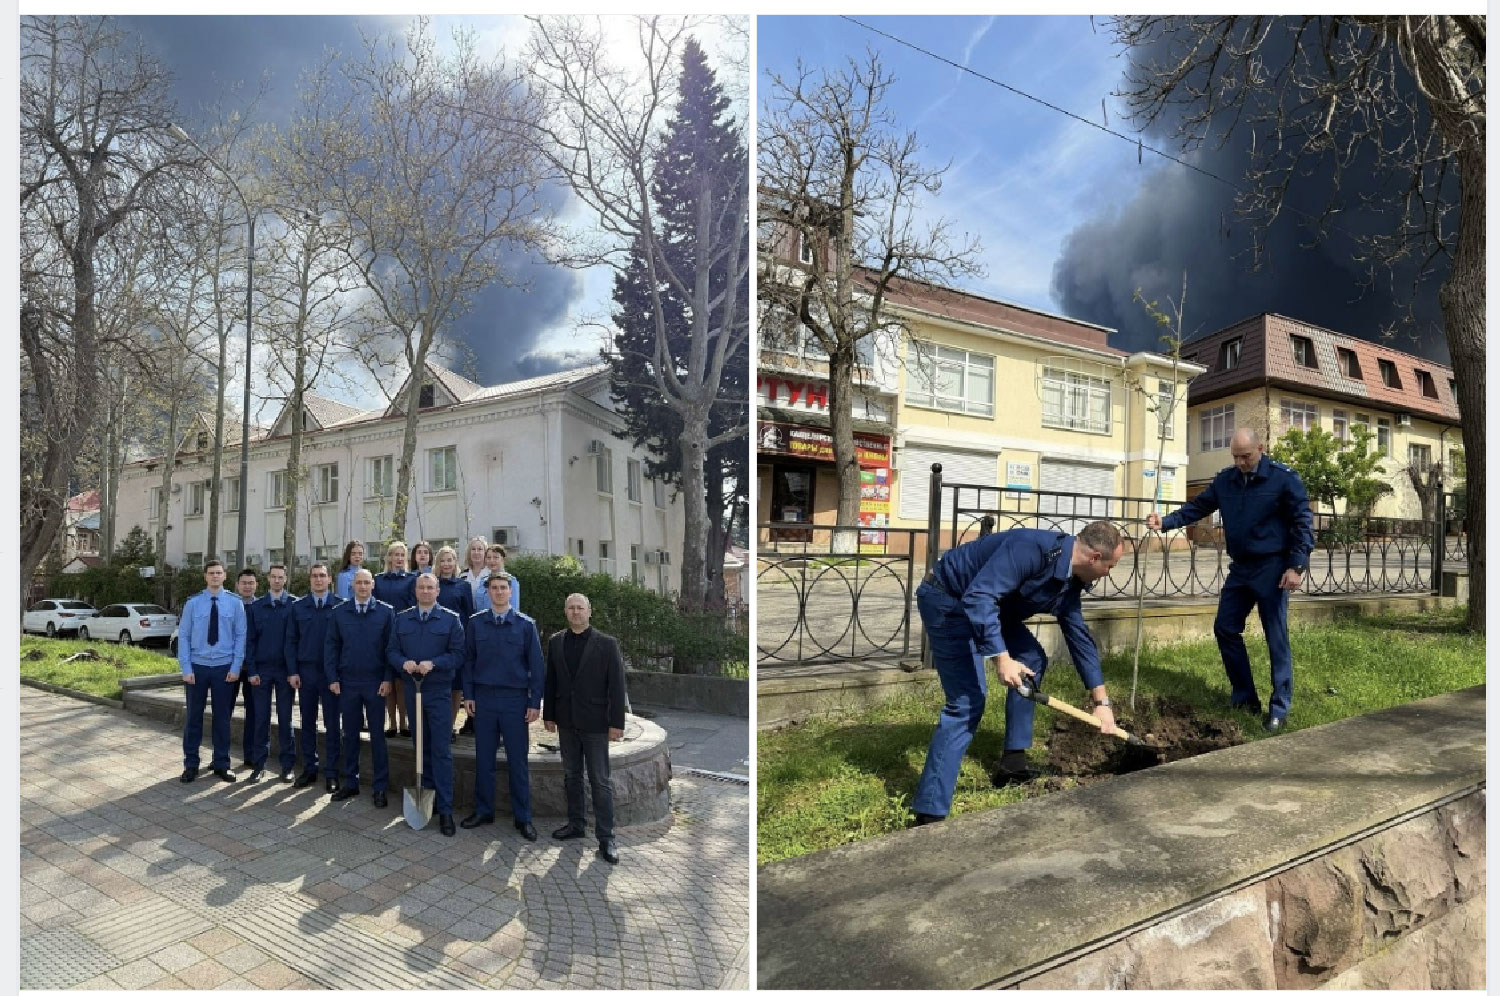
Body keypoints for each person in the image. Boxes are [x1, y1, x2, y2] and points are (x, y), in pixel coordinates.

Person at [911, 521, 1126, 824]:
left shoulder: (1069, 580)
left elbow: (1079, 637)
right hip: (949, 599)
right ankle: (929, 813)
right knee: (967, 701)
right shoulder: (1031, 548)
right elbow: (979, 598)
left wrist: (1101, 703)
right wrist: (1001, 658)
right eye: (1110, 566)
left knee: (1031, 660)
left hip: (993, 607)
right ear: (1094, 558)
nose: (1108, 574)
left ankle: (1013, 764)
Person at [1147, 427, 1314, 733]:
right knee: (1225, 628)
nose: (1240, 462)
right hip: (1241, 569)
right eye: (1235, 457)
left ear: (1260, 449)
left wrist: (1297, 566)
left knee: (1275, 638)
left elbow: (1303, 523)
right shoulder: (1226, 480)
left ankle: (1279, 708)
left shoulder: (1283, 479)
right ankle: (1245, 698)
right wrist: (1166, 522)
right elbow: (1198, 507)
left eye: (1246, 456)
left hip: (1273, 568)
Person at [543, 593, 626, 864]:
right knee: (572, 776)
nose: (576, 612)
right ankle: (576, 825)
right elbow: (551, 681)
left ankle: (606, 837)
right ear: (566, 612)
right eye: (571, 608)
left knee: (600, 781)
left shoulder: (607, 644)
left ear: (589, 612)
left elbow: (617, 686)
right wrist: (549, 716)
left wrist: (616, 723)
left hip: (596, 723)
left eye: (580, 608)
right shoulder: (556, 642)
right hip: (566, 722)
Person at [460, 572, 544, 841]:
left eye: (503, 588)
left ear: (510, 592)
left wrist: (534, 702)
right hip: (484, 699)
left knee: (518, 762)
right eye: (494, 588)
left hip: (515, 702)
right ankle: (484, 811)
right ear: (488, 593)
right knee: (484, 760)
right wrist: (468, 696)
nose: (498, 592)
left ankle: (523, 818)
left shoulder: (525, 625)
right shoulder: (476, 624)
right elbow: (468, 662)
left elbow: (537, 668)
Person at [386, 573, 465, 836]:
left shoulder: (451, 620)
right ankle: (426, 799)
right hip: (412, 690)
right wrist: (402, 663)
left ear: (438, 591)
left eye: (430, 587)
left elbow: (458, 654)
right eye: (421, 587)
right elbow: (391, 651)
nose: (426, 591)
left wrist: (436, 664)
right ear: (416, 591)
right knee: (420, 747)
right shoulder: (402, 618)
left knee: (440, 750)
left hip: (439, 692)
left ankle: (445, 809)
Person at [326, 568, 396, 807]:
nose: (363, 587)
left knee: (378, 736)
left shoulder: (386, 613)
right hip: (348, 683)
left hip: (376, 684)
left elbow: (391, 649)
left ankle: (379, 787)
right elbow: (331, 648)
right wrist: (333, 678)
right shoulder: (339, 613)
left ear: (373, 585)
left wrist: (388, 678)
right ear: (352, 586)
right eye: (359, 583)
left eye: (367, 583)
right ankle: (350, 783)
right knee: (351, 735)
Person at [177, 560, 247, 784]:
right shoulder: (193, 603)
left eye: (219, 573)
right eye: (211, 573)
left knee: (222, 720)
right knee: (194, 719)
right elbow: (184, 637)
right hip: (197, 668)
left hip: (223, 668)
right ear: (205, 577)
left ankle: (222, 763)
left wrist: (236, 667)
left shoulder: (235, 604)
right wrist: (186, 668)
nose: (215, 576)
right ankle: (190, 764)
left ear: (225, 576)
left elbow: (240, 637)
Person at [284, 562, 343, 793]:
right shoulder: (298, 608)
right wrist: (292, 671)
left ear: (329, 580)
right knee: (307, 722)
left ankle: (332, 773)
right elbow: (290, 641)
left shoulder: (340, 607)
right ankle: (309, 769)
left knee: (332, 724)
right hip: (306, 673)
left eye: (322, 576)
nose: (318, 580)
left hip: (331, 675)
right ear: (310, 580)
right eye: (314, 576)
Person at [244, 564, 297, 783]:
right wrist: (252, 671)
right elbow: (250, 642)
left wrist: (294, 671)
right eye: (273, 577)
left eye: (280, 577)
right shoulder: (256, 607)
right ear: (268, 579)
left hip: (285, 672)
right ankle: (259, 765)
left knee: (285, 719)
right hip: (262, 672)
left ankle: (287, 766)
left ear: (285, 579)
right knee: (261, 719)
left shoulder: (295, 605)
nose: (277, 580)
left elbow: (296, 641)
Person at [433, 546, 476, 743]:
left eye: (450, 560)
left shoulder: (463, 586)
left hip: (457, 642)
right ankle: (436, 725)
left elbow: (469, 614)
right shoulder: (432, 585)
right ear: (438, 563)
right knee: (437, 686)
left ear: (455, 562)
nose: (447, 564)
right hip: (435, 641)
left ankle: (449, 726)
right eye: (443, 560)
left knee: (455, 687)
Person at [374, 542, 417, 737]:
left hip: (403, 633)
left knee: (401, 680)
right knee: (386, 678)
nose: (399, 558)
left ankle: (403, 721)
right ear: (389, 557)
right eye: (395, 555)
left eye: (402, 555)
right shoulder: (379, 580)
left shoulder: (411, 579)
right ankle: (391, 722)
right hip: (381, 633)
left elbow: (413, 605)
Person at [234, 568, 261, 768]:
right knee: (224, 711)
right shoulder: (229, 605)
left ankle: (251, 755)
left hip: (254, 669)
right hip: (231, 667)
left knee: (253, 713)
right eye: (244, 582)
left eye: (251, 583)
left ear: (256, 585)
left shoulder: (262, 607)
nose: (247, 586)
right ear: (237, 585)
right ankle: (220, 756)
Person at [459, 536, 490, 604]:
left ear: (485, 553)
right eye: (473, 549)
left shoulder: (491, 574)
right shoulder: (463, 575)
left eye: (480, 549)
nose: (476, 552)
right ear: (469, 553)